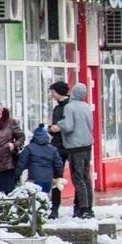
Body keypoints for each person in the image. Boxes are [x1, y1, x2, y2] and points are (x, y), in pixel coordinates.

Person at [51, 83, 94, 218]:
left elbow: (68, 126)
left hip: (74, 146)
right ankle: (88, 207)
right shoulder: (86, 106)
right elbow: (90, 125)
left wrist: (58, 126)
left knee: (78, 178)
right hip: (87, 145)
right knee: (86, 177)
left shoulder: (69, 107)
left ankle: (83, 208)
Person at [16, 124, 64, 195]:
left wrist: (17, 175)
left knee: (34, 199)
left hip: (33, 178)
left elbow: (21, 163)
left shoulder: (29, 148)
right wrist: (59, 176)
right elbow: (59, 165)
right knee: (45, 198)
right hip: (48, 179)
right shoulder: (53, 149)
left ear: (34, 136)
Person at [47, 81, 71, 218]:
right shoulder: (56, 108)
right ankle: (55, 207)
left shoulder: (70, 107)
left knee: (76, 175)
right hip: (57, 145)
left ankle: (79, 206)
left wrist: (59, 128)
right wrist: (51, 129)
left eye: (53, 92)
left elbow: (70, 124)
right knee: (56, 176)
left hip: (69, 145)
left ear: (59, 92)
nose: (51, 95)